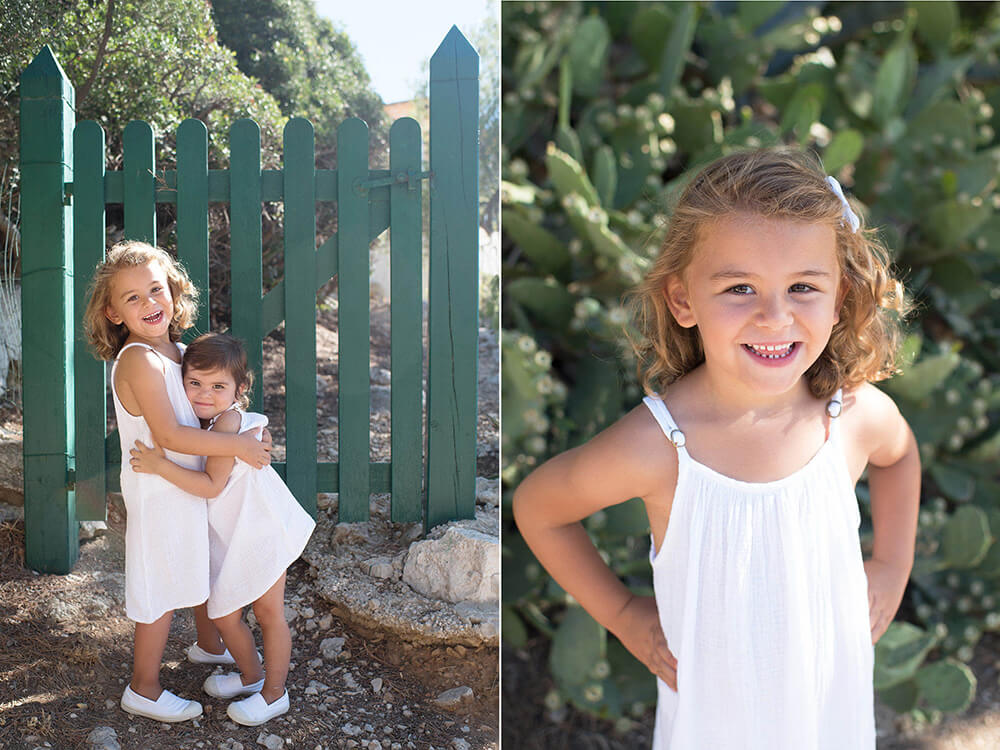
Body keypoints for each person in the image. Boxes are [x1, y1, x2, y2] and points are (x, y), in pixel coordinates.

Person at [512, 149, 921, 749]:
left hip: (830, 717)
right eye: (739, 288)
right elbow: (540, 506)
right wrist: (624, 615)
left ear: (839, 298)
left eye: (804, 286)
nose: (774, 316)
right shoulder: (661, 445)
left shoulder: (851, 416)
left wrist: (891, 566)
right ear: (683, 300)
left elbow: (900, 455)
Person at [84, 241, 273, 723]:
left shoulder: (184, 353)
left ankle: (210, 649)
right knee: (158, 586)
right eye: (132, 298)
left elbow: (217, 406)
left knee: (198, 567)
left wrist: (251, 427)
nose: (149, 303)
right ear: (112, 311)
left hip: (190, 486)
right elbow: (168, 434)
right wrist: (239, 449)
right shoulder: (138, 360)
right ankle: (143, 688)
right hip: (158, 488)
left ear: (172, 290)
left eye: (155, 289)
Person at [129, 331, 316, 726]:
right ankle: (251, 676)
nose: (203, 394)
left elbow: (212, 486)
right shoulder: (209, 420)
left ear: (239, 388)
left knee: (268, 613)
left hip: (261, 531)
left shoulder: (226, 423)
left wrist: (161, 467)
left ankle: (274, 693)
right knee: (225, 612)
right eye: (194, 383)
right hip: (237, 534)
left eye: (218, 386)